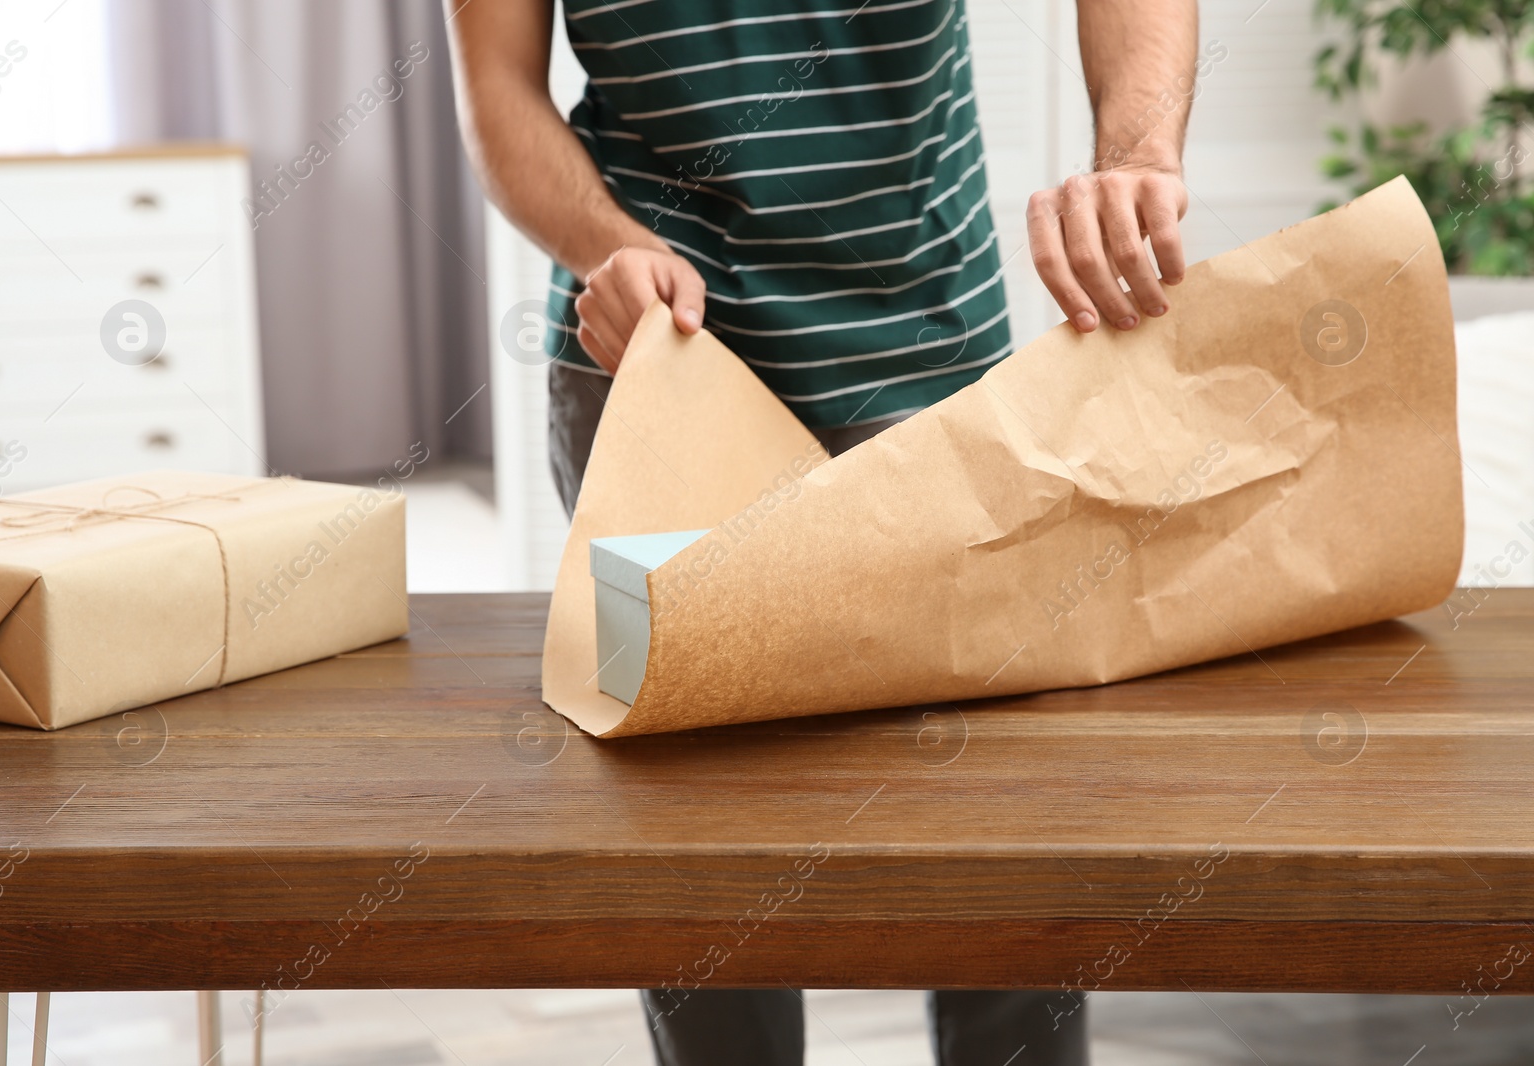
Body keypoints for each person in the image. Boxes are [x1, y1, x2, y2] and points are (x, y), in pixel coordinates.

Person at [447, 0, 1196, 1061]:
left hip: (929, 361)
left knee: (1005, 852)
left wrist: (1137, 153)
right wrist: (606, 244)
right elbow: (498, 91)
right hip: (660, 366)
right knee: (702, 866)